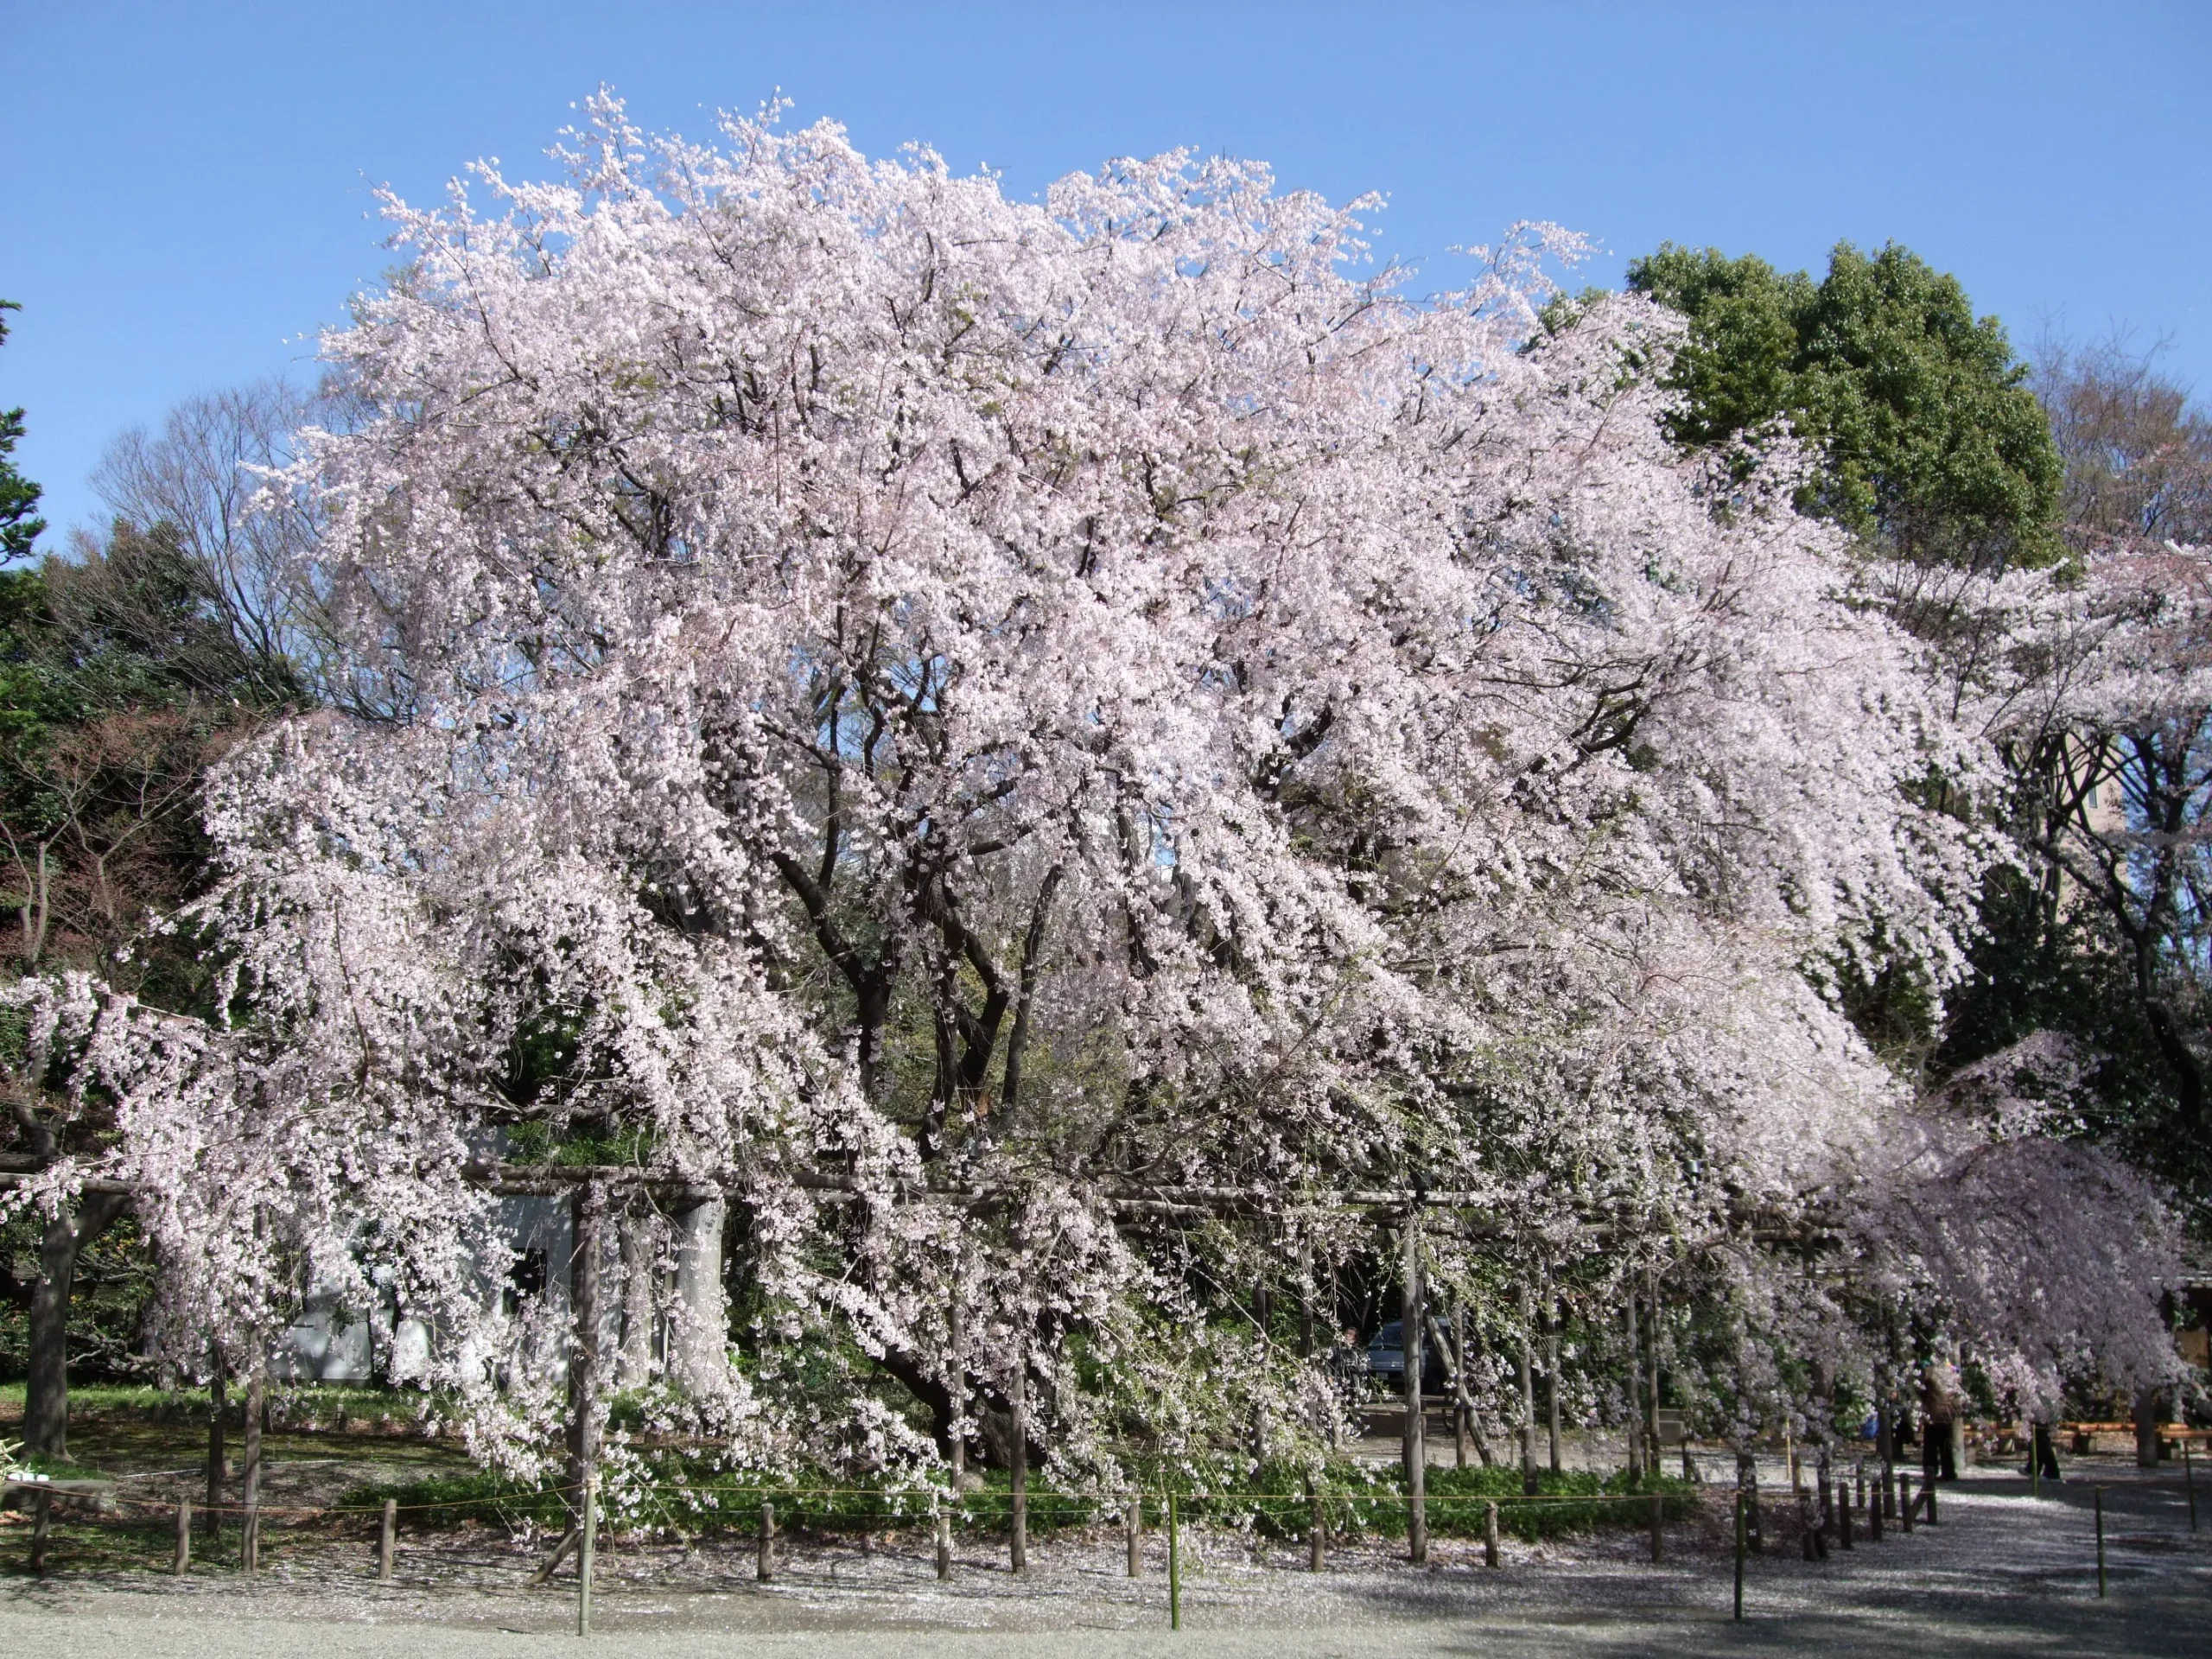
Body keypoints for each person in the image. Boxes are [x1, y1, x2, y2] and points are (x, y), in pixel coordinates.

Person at [1920, 1360, 1961, 1482]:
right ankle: (1949, 1472)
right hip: (1948, 1414)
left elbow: (1921, 1391)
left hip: (1933, 1413)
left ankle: (1930, 1471)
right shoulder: (1953, 1373)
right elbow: (1957, 1394)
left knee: (1930, 1445)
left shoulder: (1929, 1372)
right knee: (1946, 1445)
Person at [2024, 1419, 2063, 1483]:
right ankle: (2033, 1469)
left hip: (2041, 1418)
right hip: (2040, 1418)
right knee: (2038, 1439)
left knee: (2041, 1440)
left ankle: (2052, 1473)